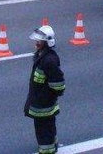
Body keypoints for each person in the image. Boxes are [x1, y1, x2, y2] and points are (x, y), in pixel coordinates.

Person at [25, 25, 65, 154]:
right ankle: (51, 145)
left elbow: (58, 83)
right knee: (47, 127)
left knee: (43, 129)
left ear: (47, 42)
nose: (36, 43)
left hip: (43, 104)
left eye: (39, 41)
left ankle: (47, 151)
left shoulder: (49, 60)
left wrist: (48, 96)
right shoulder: (42, 56)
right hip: (41, 101)